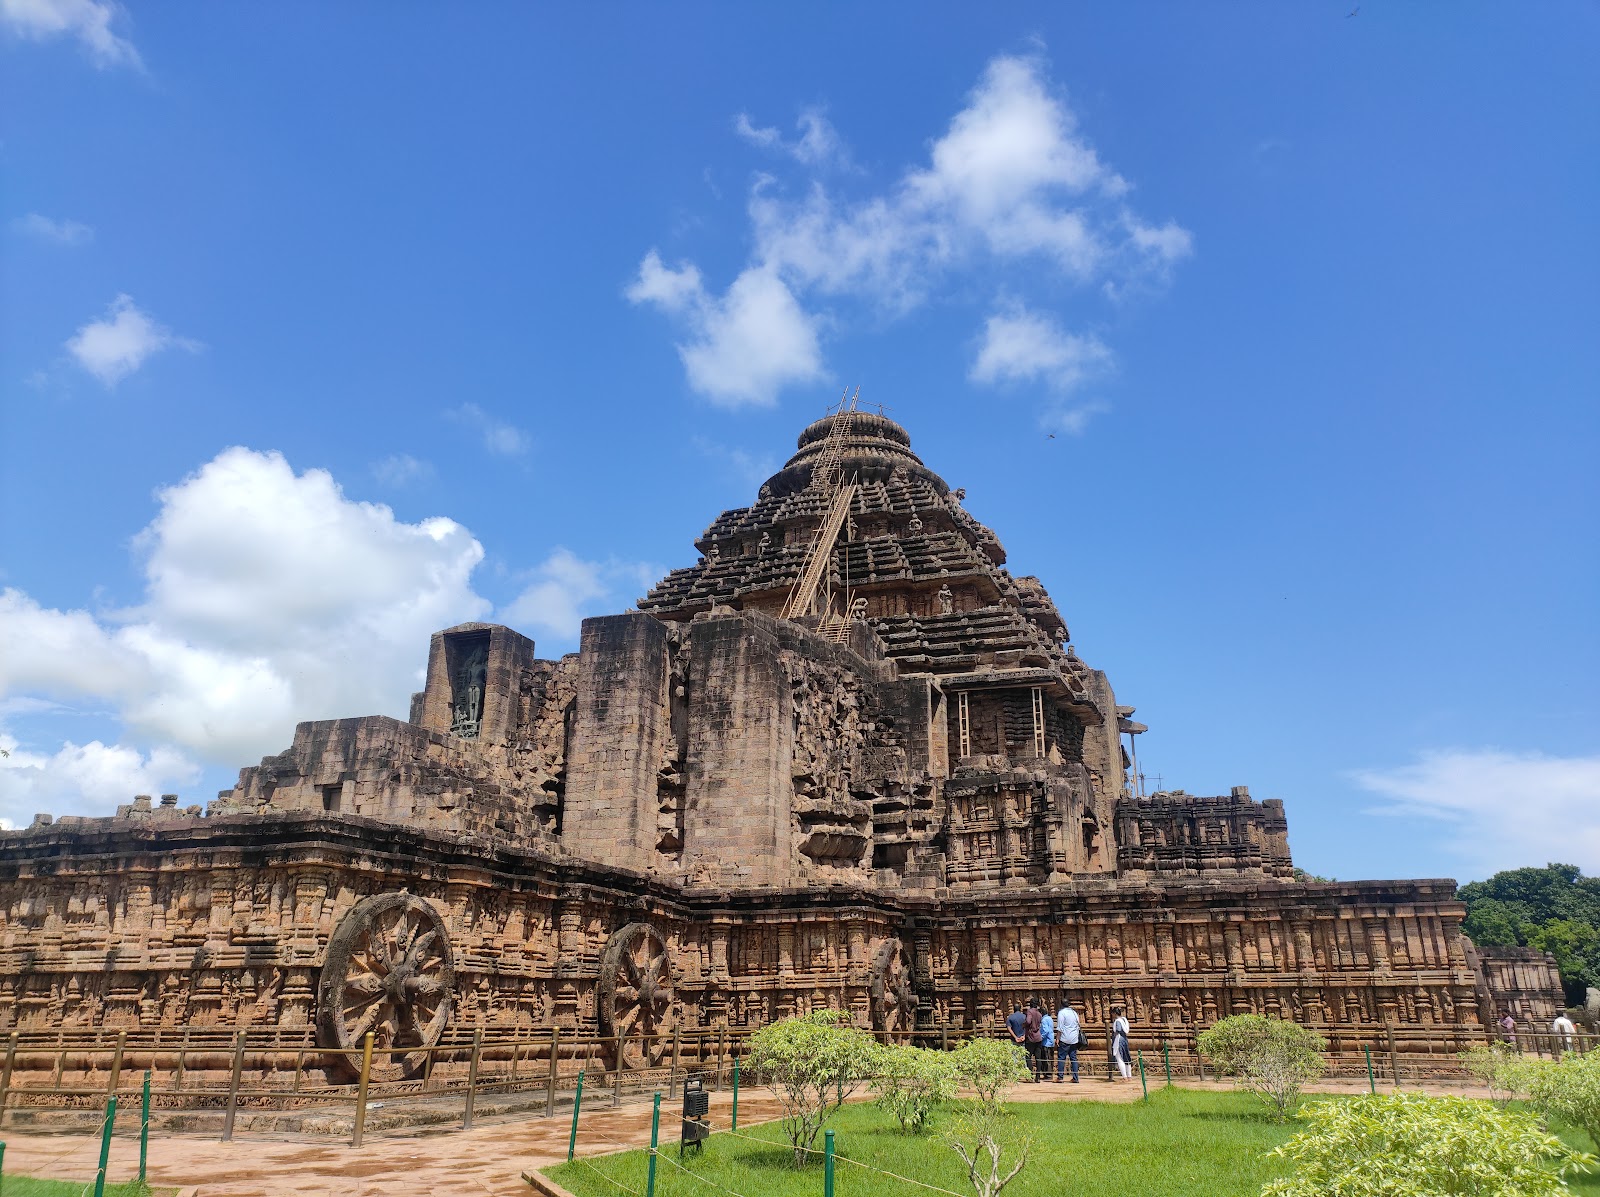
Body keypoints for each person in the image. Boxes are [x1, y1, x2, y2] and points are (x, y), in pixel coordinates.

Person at [1056, 999, 1082, 1083]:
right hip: (1074, 1039)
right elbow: (1078, 1025)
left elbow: (1060, 1027)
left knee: (1061, 1058)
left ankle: (1060, 1077)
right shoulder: (1074, 1013)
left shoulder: (1062, 1013)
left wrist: (1057, 1038)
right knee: (1073, 1058)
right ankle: (1075, 1077)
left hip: (1064, 1038)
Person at [1024, 998, 1045, 1081]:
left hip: (1031, 1037)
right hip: (1038, 1037)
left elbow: (1028, 1021)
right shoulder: (1039, 1013)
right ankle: (1038, 1076)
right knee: (1038, 1058)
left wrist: (1024, 1025)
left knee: (1028, 1056)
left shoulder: (1030, 1012)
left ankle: (1030, 1074)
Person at [1110, 1005, 1132, 1080]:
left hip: (1119, 1039)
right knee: (1126, 1057)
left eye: (1112, 1013)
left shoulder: (1118, 1021)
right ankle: (1129, 1076)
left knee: (1119, 1058)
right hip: (1124, 1039)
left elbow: (1118, 1029)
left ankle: (1124, 1077)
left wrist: (1114, 1034)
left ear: (1115, 1013)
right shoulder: (1124, 1020)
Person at [1039, 1004, 1056, 1081]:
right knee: (1050, 1058)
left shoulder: (1044, 1020)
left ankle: (1048, 1075)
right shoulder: (1050, 1018)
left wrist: (1041, 1037)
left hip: (1046, 1042)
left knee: (1046, 1058)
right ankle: (1049, 1073)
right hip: (1051, 1040)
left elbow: (1045, 1031)